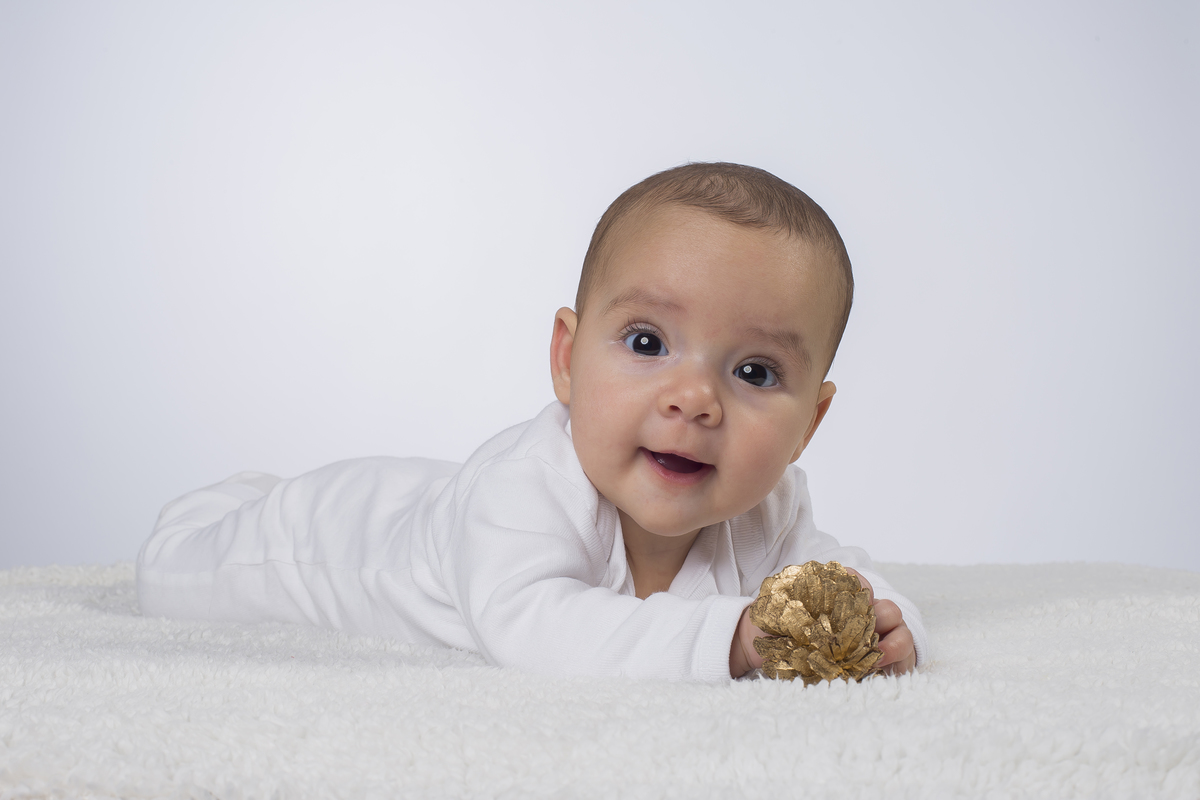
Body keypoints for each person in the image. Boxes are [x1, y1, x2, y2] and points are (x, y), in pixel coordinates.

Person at [137, 162, 927, 682]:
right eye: (647, 343)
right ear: (567, 359)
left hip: (437, 507)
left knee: (421, 501)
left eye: (755, 372)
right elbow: (539, 631)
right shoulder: (525, 490)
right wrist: (732, 641)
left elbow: (844, 573)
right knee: (174, 575)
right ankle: (225, 504)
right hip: (322, 547)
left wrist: (890, 627)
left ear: (809, 424)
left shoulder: (769, 507)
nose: (694, 399)